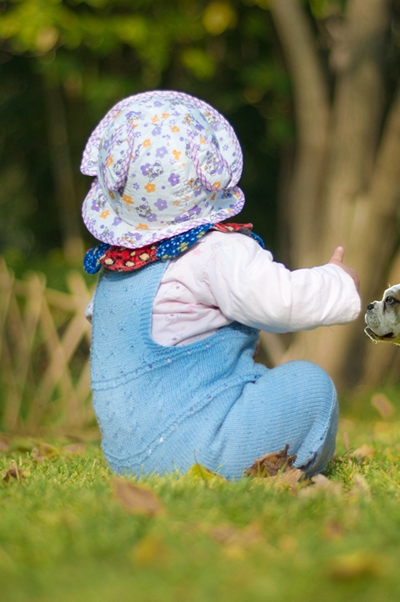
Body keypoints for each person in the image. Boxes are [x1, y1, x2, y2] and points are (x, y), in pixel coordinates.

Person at [80, 90, 361, 480]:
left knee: (258, 385)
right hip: (199, 450)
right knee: (309, 386)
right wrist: (337, 281)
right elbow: (280, 301)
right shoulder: (215, 252)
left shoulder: (116, 269)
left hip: (128, 461)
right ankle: (302, 466)